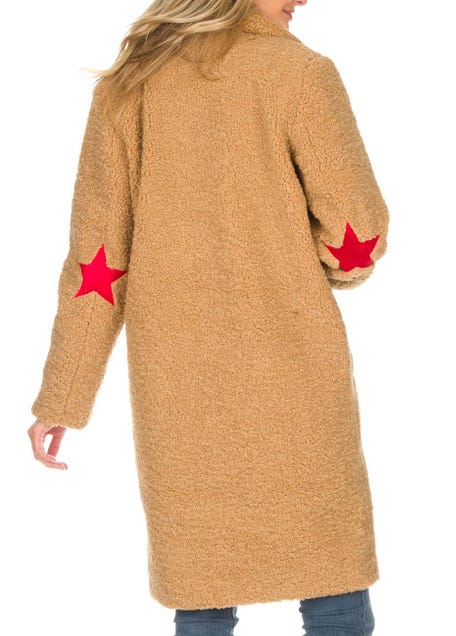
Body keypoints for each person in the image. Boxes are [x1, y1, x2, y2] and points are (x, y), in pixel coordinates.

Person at [28, 0, 389, 634]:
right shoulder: (299, 73)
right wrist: (328, 269)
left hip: (180, 390)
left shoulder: (130, 85)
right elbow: (358, 229)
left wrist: (63, 396)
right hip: (296, 375)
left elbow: (97, 260)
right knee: (331, 577)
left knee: (200, 590)